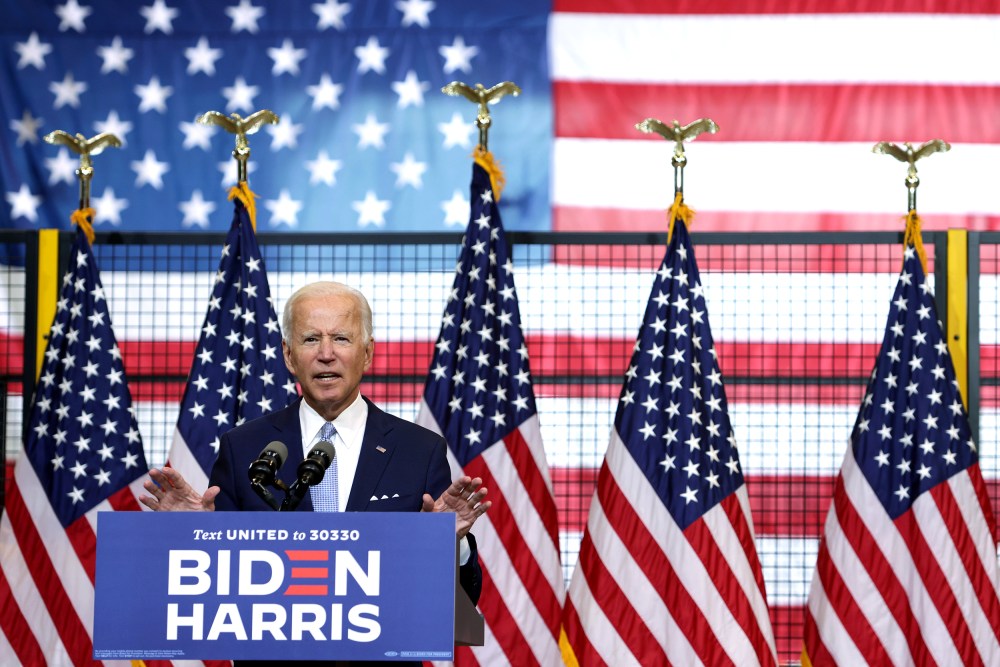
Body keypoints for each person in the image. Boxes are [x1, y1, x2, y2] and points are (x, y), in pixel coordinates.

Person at [140, 280, 490, 666]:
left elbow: (457, 605)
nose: (326, 354)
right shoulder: (243, 448)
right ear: (289, 356)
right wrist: (196, 537)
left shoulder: (419, 450)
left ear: (367, 353)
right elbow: (214, 598)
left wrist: (450, 545)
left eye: (341, 338)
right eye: (310, 339)